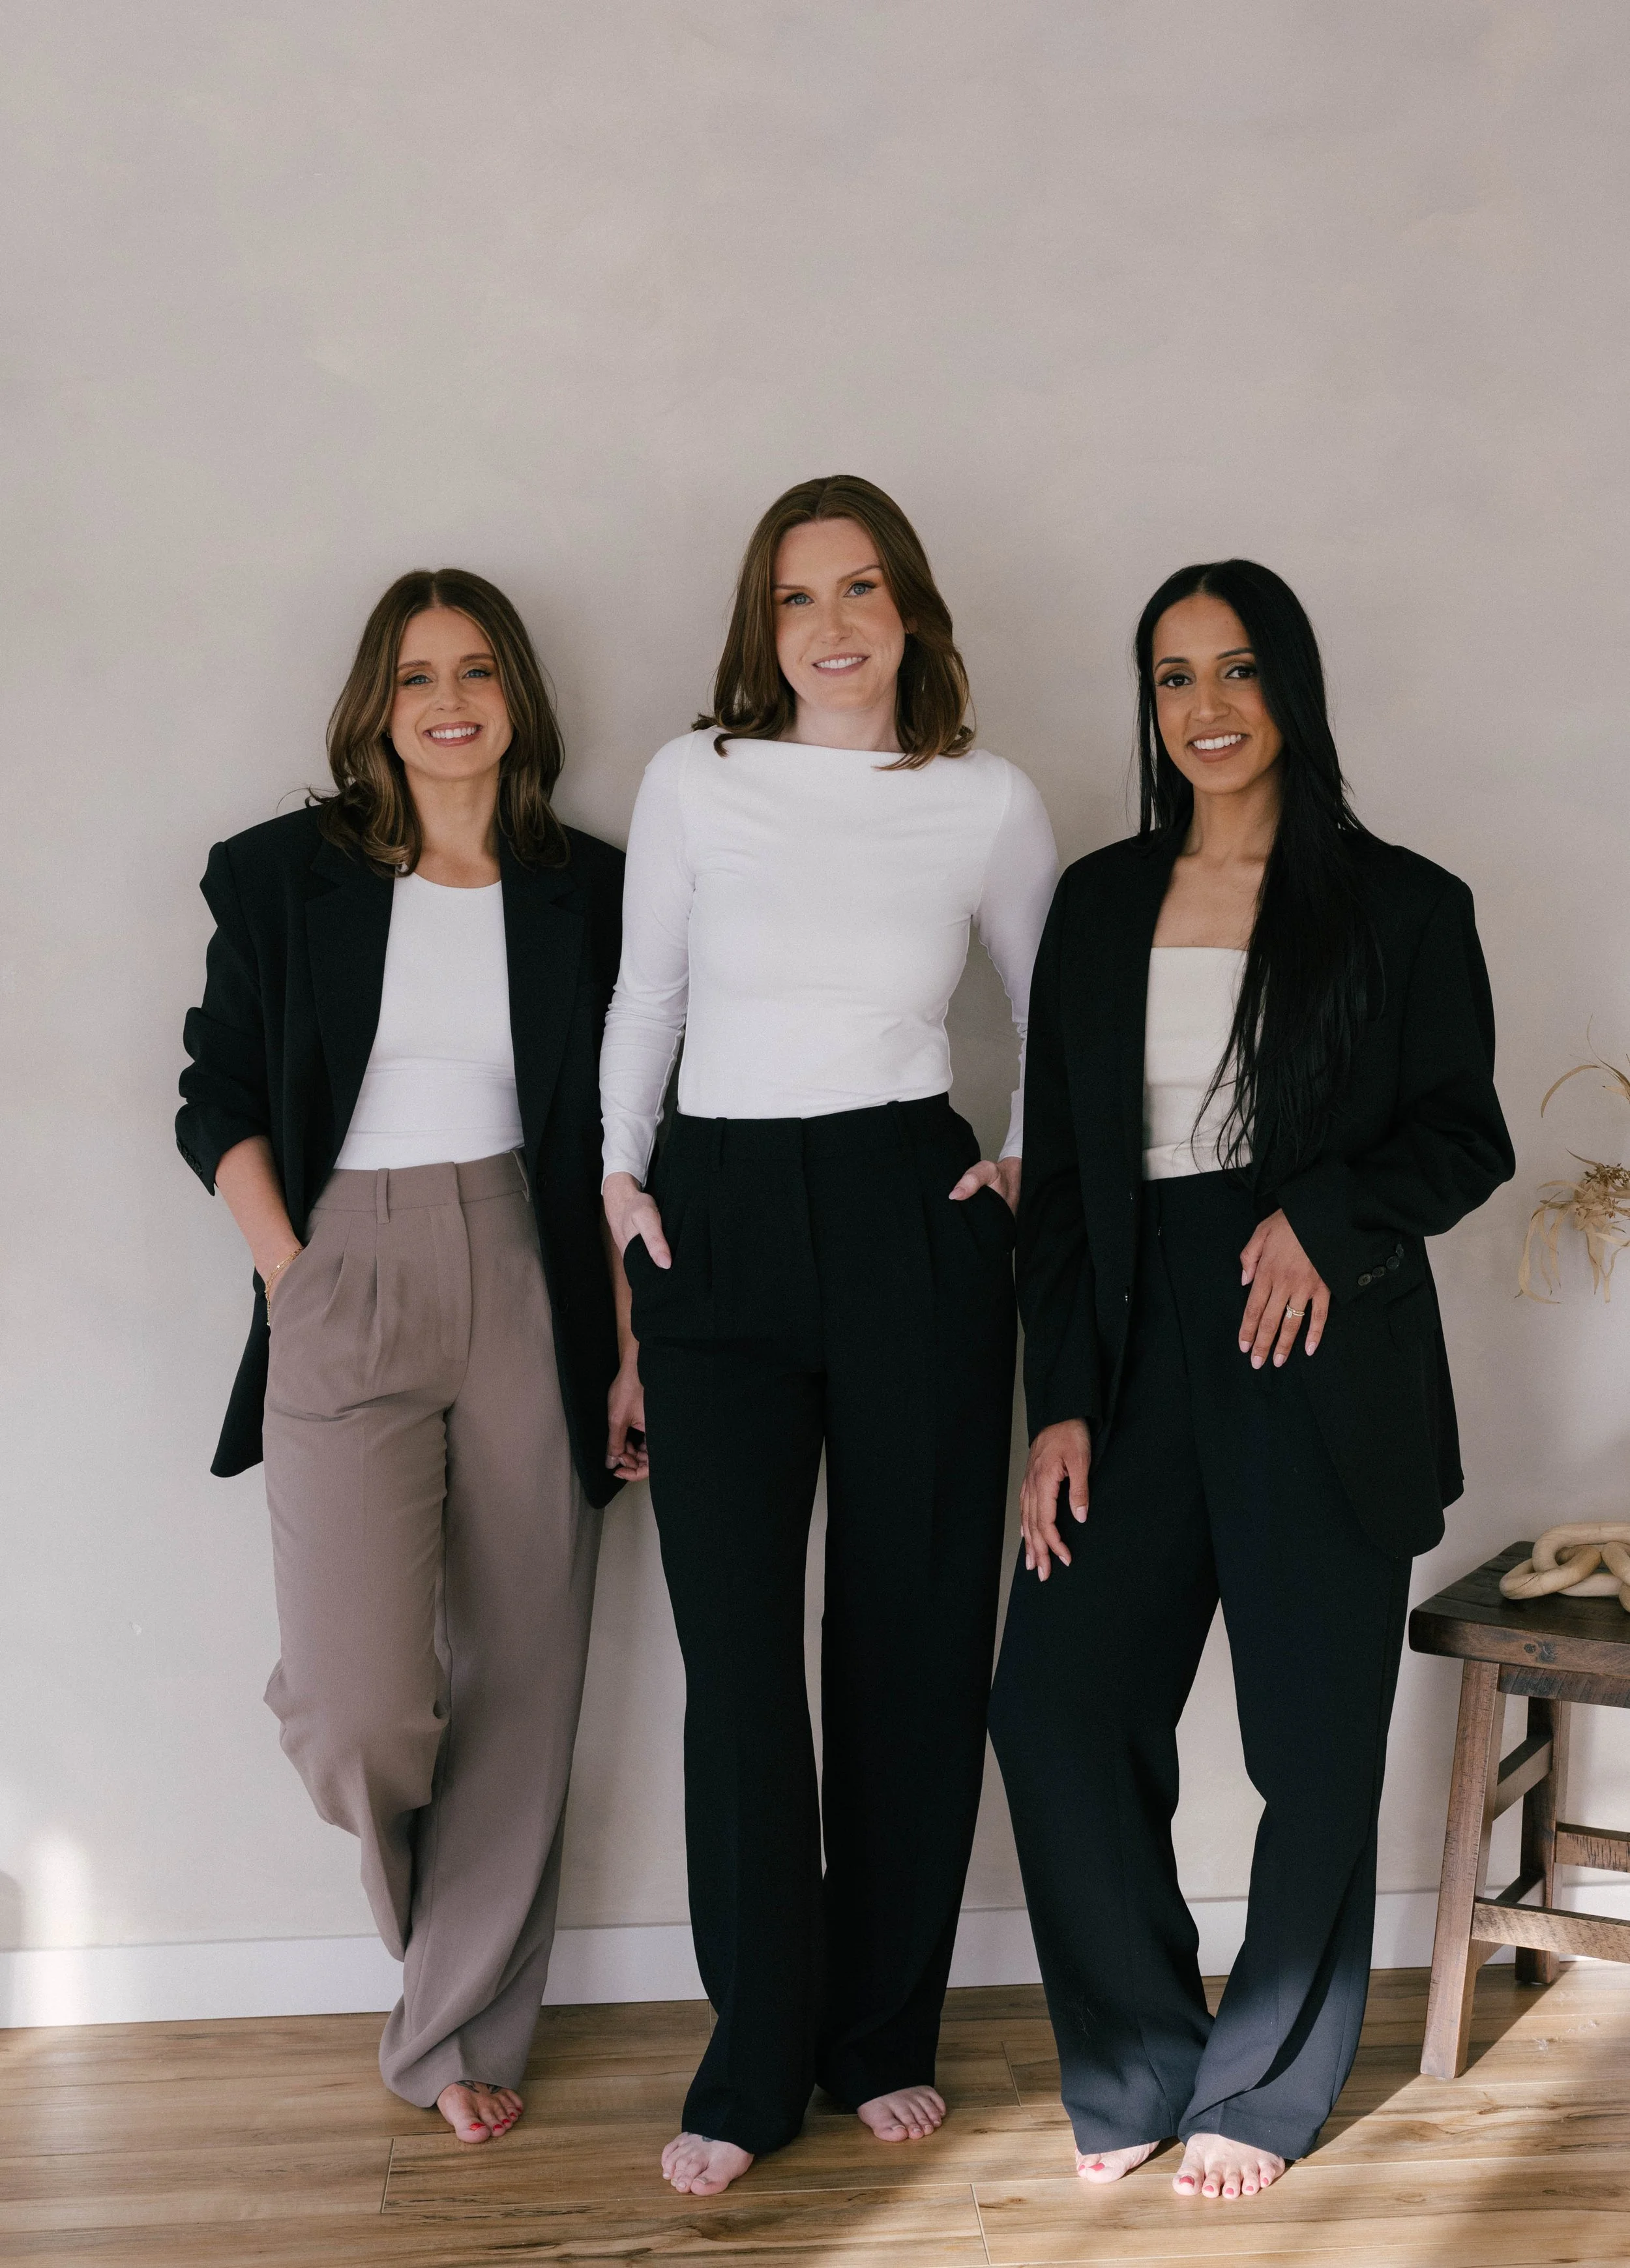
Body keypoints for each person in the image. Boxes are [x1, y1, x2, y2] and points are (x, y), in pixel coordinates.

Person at [988, 560, 1514, 2203]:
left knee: (1311, 1740)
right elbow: (1063, 1183)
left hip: (1314, 1349)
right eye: (1171, 676)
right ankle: (1138, 2059)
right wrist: (1059, 1399)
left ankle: (1265, 2084)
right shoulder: (1095, 903)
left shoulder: (1401, 903)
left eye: (1234, 669)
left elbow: (1463, 1133)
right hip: (1129, 1346)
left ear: (1288, 683)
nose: (1204, 707)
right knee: (1055, 1702)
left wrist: (1323, 1221)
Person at [599, 475, 1057, 2195]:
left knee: (910, 1636)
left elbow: (1058, 1008)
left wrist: (1020, 1158)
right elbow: (649, 990)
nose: (833, 624)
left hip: (903, 1203)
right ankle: (751, 2058)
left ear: (910, 605)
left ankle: (878, 2032)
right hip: (712, 1212)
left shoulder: (985, 798)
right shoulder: (692, 776)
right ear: (762, 626)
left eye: (861, 587)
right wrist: (620, 1175)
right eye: (797, 597)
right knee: (736, 1659)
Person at [176, 569, 635, 2144]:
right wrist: (291, 1271)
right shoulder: (277, 874)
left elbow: (623, 1135)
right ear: (376, 701)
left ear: (519, 698)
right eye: (419, 673)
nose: (450, 700)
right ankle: (443, 1946)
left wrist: (625, 1347)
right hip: (341, 1271)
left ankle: (452, 2031)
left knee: (525, 1670)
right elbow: (216, 1094)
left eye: (479, 669)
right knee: (361, 1704)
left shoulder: (591, 890)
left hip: (531, 1271)